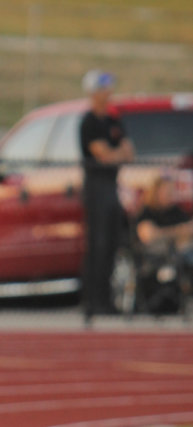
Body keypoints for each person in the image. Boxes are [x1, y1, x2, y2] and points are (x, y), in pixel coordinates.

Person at [79, 71, 134, 318]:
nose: (108, 94)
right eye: (103, 89)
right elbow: (104, 155)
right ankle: (93, 302)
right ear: (93, 92)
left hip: (112, 186)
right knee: (98, 245)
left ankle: (108, 301)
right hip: (96, 186)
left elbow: (128, 151)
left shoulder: (113, 120)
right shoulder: (88, 122)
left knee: (112, 243)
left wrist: (115, 155)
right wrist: (115, 154)